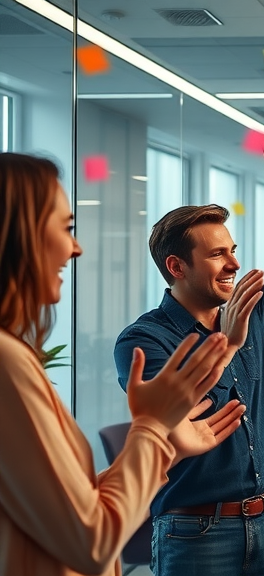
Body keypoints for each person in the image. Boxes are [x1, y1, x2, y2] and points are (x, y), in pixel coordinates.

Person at [0, 152, 245, 576]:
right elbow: (91, 541)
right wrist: (152, 428)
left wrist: (164, 445)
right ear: (15, 237)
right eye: (65, 228)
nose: (75, 247)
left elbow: (70, 511)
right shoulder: (8, 363)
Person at [113, 134, 264, 576]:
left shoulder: (249, 313)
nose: (234, 264)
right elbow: (179, 420)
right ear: (177, 267)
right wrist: (229, 342)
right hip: (193, 532)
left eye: (233, 251)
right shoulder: (143, 341)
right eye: (218, 254)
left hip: (262, 521)